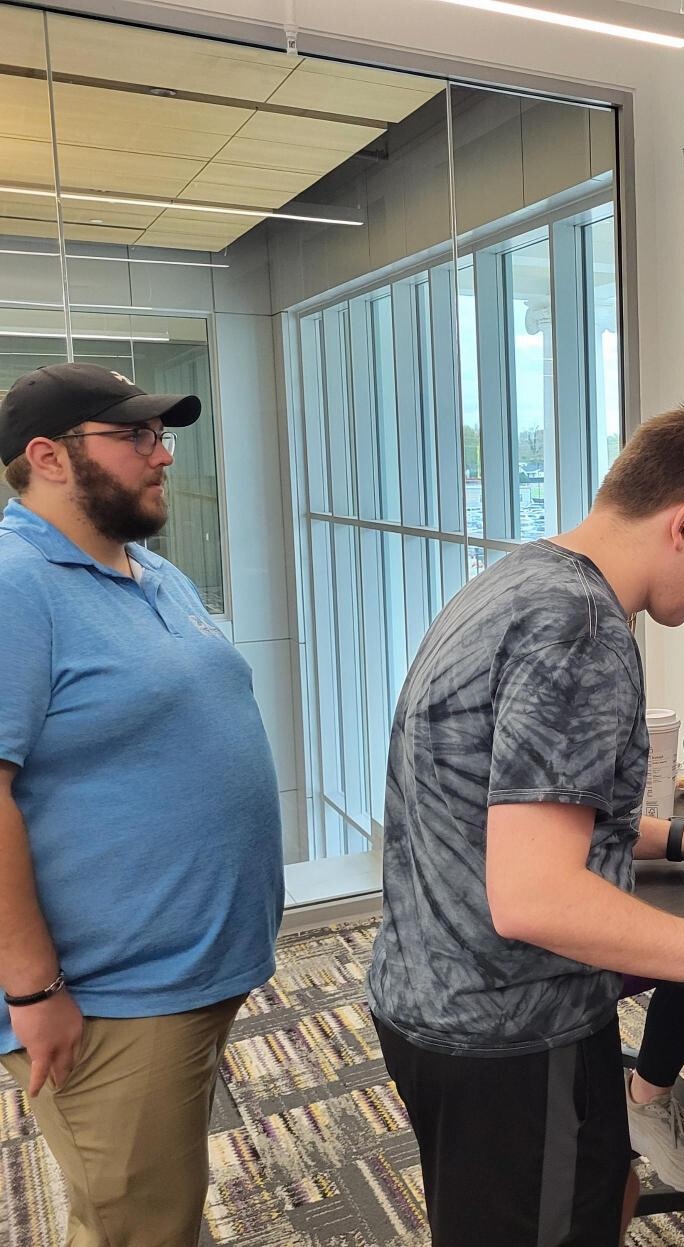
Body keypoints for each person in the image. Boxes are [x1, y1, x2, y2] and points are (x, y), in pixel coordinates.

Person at [367, 401, 684, 1245]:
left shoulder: (520, 579)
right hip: (513, 1031)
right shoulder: (581, 631)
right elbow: (534, 896)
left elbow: (511, 808)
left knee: (600, 1190)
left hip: (431, 998)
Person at [0, 363, 285, 1244]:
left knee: (162, 1200)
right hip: (108, 994)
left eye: (160, 435)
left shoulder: (149, 570)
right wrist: (33, 987)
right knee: (137, 1226)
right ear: (48, 456)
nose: (162, 456)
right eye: (135, 437)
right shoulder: (14, 583)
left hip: (190, 969)